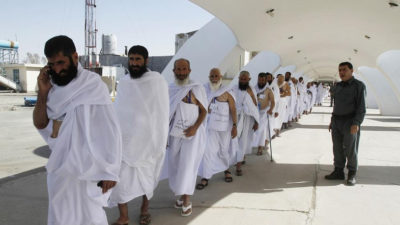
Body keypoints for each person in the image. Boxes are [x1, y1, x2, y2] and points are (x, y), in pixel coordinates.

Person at [33, 35, 122, 225]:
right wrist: (42, 93)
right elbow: (40, 124)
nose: (57, 69)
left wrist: (110, 170)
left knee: (91, 218)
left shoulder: (92, 85)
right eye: (52, 64)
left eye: (61, 62)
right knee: (61, 217)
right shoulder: (51, 89)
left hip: (90, 170)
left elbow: (110, 131)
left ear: (75, 57)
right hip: (61, 171)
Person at [109, 46, 169, 225]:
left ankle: (144, 210)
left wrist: (160, 137)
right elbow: (119, 110)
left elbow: (162, 111)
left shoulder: (157, 80)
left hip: (148, 140)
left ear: (146, 60)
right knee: (120, 182)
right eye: (132, 59)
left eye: (138, 59)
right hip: (126, 141)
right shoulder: (125, 82)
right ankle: (124, 216)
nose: (134, 63)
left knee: (146, 180)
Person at [163, 58, 207, 216]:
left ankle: (187, 200)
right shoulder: (170, 89)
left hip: (192, 135)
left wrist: (195, 128)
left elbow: (204, 111)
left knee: (188, 166)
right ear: (174, 71)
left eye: (184, 69)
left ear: (189, 70)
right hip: (175, 135)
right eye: (178, 69)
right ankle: (181, 195)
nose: (181, 72)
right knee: (175, 165)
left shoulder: (196, 88)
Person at [197, 68, 238, 189]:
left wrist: (235, 126)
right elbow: (201, 106)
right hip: (209, 128)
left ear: (221, 77)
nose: (214, 78)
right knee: (208, 151)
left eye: (216, 76)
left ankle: (226, 169)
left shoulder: (227, 91)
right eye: (212, 76)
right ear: (209, 77)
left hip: (224, 128)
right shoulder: (205, 90)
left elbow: (233, 109)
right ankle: (206, 176)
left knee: (224, 150)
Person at [326, 62, 366, 186]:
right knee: (337, 148)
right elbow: (336, 105)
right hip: (337, 121)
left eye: (344, 70)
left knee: (350, 149)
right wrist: (332, 121)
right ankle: (338, 171)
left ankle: (352, 173)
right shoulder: (338, 86)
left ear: (351, 70)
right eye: (340, 70)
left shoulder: (358, 86)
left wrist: (356, 123)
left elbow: (361, 107)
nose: (342, 72)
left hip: (350, 122)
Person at [232, 71, 259, 176]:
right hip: (235, 118)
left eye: (245, 79)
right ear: (238, 78)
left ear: (249, 79)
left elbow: (255, 106)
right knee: (233, 141)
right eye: (241, 79)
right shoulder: (233, 88)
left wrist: (256, 122)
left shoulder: (251, 90)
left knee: (243, 141)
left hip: (247, 119)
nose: (243, 81)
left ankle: (239, 165)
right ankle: (234, 160)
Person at [253, 73, 275, 155]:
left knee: (261, 131)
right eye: (259, 79)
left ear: (266, 80)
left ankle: (260, 148)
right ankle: (249, 146)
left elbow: (273, 102)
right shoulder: (253, 88)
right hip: (254, 112)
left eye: (263, 80)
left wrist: (271, 109)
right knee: (253, 130)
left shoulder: (268, 90)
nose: (261, 81)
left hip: (263, 112)